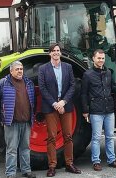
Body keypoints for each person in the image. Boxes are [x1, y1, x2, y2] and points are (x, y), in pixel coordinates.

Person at [38, 43, 82, 177]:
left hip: (65, 106)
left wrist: (63, 102)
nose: (56, 52)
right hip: (50, 107)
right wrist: (54, 103)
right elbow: (42, 87)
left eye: (58, 50)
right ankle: (52, 166)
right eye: (54, 51)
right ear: (50, 53)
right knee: (51, 137)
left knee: (68, 136)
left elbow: (72, 86)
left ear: (60, 53)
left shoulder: (68, 67)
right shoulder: (43, 69)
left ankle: (69, 163)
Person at [0, 61, 37, 178]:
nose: (20, 71)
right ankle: (11, 173)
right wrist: (1, 117)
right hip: (12, 123)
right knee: (11, 149)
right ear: (11, 71)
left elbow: (32, 102)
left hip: (26, 122)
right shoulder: (3, 83)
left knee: (25, 148)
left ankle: (26, 170)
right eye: (17, 69)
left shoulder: (28, 83)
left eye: (21, 69)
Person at [81, 49, 116, 171]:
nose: (101, 60)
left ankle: (111, 160)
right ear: (93, 58)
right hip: (96, 110)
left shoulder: (108, 72)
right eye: (98, 58)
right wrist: (85, 110)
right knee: (97, 137)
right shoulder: (87, 75)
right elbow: (84, 94)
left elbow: (112, 88)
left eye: (103, 58)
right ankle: (96, 161)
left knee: (110, 136)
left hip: (109, 109)